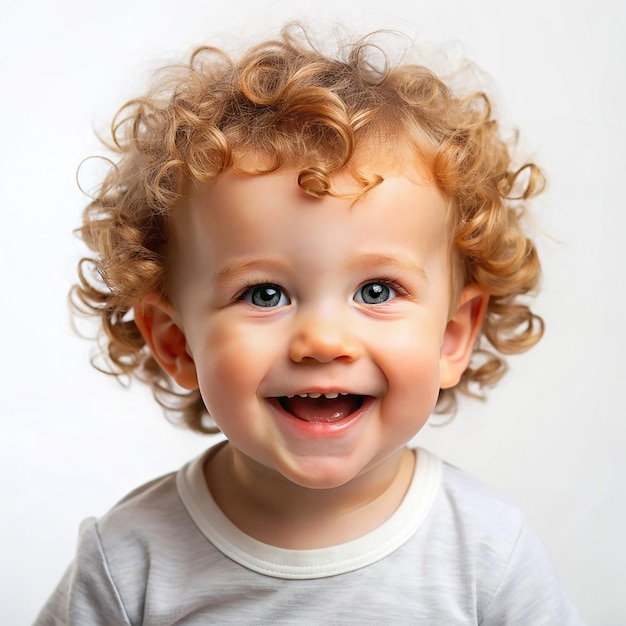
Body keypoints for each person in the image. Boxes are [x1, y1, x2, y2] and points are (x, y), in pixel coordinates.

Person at [35, 23, 583, 625]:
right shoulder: (128, 562)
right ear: (176, 343)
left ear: (452, 335)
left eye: (377, 290)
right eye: (264, 294)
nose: (323, 340)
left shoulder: (488, 554)